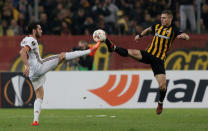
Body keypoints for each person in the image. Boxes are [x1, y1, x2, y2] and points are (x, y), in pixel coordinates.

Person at [105, 10, 190, 115]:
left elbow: (186, 35)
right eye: (161, 17)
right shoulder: (157, 26)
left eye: (164, 18)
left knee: (163, 86)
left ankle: (160, 103)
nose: (162, 19)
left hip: (158, 60)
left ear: (170, 19)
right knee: (131, 52)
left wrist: (184, 37)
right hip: (148, 54)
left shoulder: (174, 29)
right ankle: (113, 47)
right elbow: (149, 29)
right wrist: (140, 35)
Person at [19, 22, 100, 126]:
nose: (41, 31)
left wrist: (27, 66)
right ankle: (90, 51)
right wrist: (27, 65)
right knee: (62, 55)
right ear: (34, 31)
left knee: (39, 95)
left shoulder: (26, 39)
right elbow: (22, 52)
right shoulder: (32, 40)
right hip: (39, 67)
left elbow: (24, 52)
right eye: (39, 29)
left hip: (33, 74)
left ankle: (35, 121)